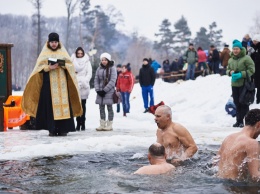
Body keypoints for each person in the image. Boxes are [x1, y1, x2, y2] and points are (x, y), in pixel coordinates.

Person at [22, 32, 82, 136]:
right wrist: (49, 67)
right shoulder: (44, 53)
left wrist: (62, 65)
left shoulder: (63, 52)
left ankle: (64, 129)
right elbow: (38, 68)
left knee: (64, 107)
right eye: (52, 42)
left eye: (55, 42)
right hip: (49, 85)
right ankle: (52, 128)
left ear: (58, 42)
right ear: (48, 42)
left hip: (62, 86)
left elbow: (70, 66)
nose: (54, 44)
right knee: (50, 107)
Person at [217, 109, 260, 181]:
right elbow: (255, 176)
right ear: (259, 124)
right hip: (236, 188)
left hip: (222, 184)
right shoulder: (252, 143)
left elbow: (215, 162)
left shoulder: (229, 138)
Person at [226, 40, 255, 128]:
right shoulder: (231, 59)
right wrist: (230, 72)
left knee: (244, 103)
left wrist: (241, 74)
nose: (235, 50)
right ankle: (238, 121)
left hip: (244, 84)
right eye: (234, 49)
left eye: (237, 49)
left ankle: (246, 123)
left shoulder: (246, 58)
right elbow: (227, 69)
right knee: (237, 103)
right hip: (234, 84)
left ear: (240, 49)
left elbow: (252, 70)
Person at [71, 47, 92, 131]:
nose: (79, 55)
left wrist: (85, 81)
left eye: (81, 53)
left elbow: (89, 73)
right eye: (78, 53)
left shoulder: (87, 61)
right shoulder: (72, 60)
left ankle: (82, 123)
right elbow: (70, 71)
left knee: (83, 105)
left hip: (84, 85)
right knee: (76, 105)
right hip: (75, 84)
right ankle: (77, 123)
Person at [94, 52, 117, 131]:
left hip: (109, 92)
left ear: (108, 60)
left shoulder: (112, 68)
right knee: (101, 108)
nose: (103, 61)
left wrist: (104, 90)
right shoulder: (99, 68)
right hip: (100, 91)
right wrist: (97, 90)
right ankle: (102, 124)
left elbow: (112, 81)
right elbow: (96, 80)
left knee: (109, 108)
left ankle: (109, 124)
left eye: (105, 60)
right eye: (102, 60)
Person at [251, 34, 260, 104]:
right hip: (252, 68)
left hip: (258, 68)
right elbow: (249, 56)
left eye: (255, 41)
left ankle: (258, 99)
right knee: (252, 85)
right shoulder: (251, 47)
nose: (254, 42)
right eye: (253, 41)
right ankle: (251, 98)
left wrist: (255, 54)